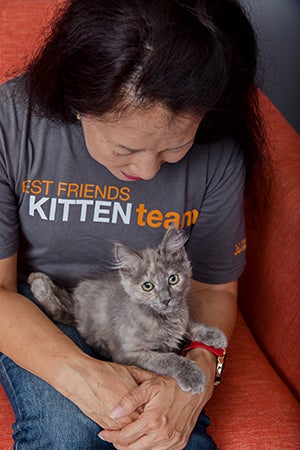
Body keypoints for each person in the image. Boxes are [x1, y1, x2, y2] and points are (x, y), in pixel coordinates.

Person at [0, 0, 268, 448]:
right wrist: (81, 375)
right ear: (76, 101)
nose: (147, 172)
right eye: (123, 148)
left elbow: (215, 289)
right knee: (66, 433)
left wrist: (197, 377)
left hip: (155, 317)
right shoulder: (12, 122)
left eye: (174, 148)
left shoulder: (219, 148)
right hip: (41, 306)